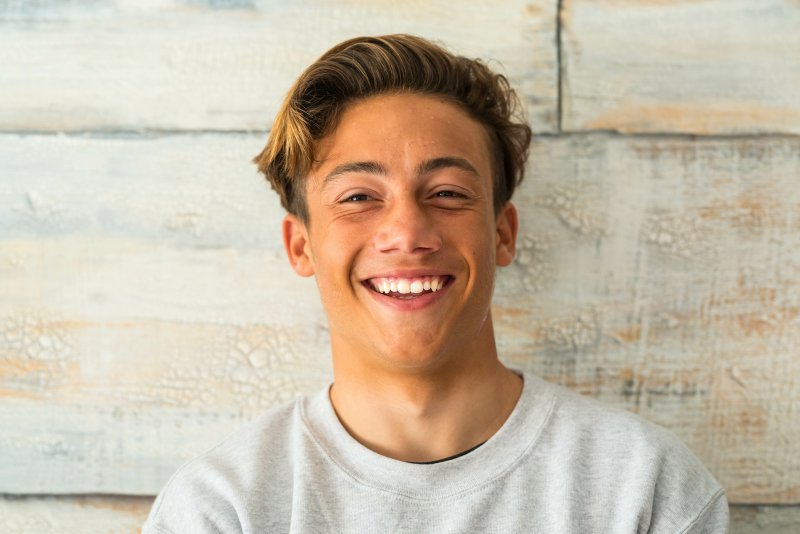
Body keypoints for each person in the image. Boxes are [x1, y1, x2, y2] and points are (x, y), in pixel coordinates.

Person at [144, 34, 728, 533]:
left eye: (447, 193)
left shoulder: (646, 490)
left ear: (502, 233)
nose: (407, 231)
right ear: (302, 246)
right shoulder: (220, 510)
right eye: (358, 198)